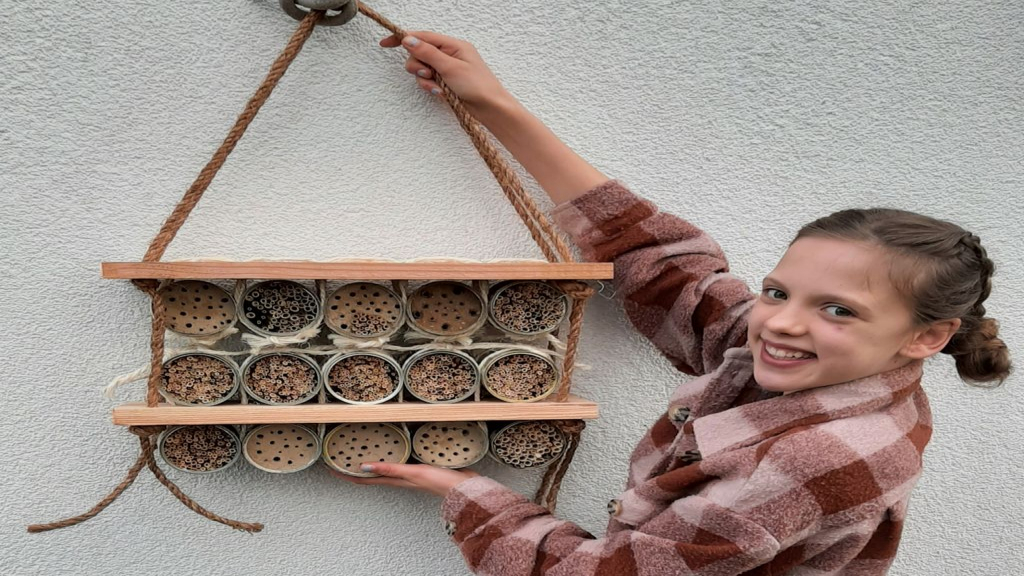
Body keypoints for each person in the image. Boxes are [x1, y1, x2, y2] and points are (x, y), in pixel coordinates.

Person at [330, 31, 1012, 575]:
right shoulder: (833, 366)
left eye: (839, 309)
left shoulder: (805, 462)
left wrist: (466, 495)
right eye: (777, 291)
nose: (780, 320)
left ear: (926, 336)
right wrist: (495, 106)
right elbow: (672, 273)